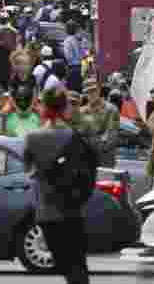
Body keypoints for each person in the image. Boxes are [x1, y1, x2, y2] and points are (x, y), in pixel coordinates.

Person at [23, 87, 92, 284]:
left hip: (47, 211)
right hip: (73, 209)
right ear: (65, 107)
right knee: (78, 265)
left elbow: (30, 171)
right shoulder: (77, 137)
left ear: (43, 107)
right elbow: (88, 171)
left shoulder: (33, 138)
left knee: (66, 266)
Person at [77, 78, 120, 168]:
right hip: (86, 161)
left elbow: (111, 138)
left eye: (93, 90)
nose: (91, 94)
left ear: (99, 90)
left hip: (105, 160)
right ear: (85, 94)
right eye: (88, 92)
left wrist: (90, 143)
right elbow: (78, 137)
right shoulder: (81, 112)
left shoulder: (111, 110)